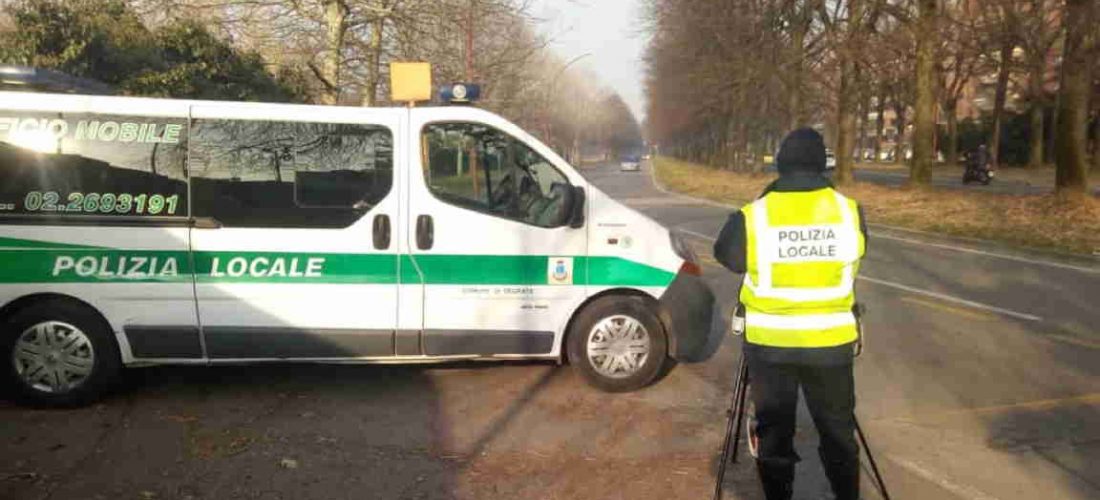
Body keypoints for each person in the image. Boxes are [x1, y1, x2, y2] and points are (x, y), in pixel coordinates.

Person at [713, 128, 868, 500]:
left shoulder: (754, 215)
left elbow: (727, 257)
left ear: (780, 164)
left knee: (774, 434)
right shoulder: (849, 211)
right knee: (838, 433)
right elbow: (858, 254)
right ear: (822, 165)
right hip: (831, 344)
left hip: (770, 347)